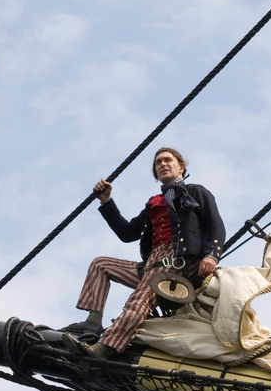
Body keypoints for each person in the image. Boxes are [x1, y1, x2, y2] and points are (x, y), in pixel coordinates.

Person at [62, 147, 225, 360]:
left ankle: (104, 348)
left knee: (140, 299)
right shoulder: (154, 203)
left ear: (181, 167)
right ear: (156, 173)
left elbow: (216, 226)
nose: (163, 164)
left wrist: (211, 255)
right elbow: (128, 233)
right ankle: (93, 321)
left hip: (178, 262)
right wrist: (106, 201)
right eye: (158, 163)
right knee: (101, 264)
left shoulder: (195, 192)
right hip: (152, 262)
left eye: (168, 160)